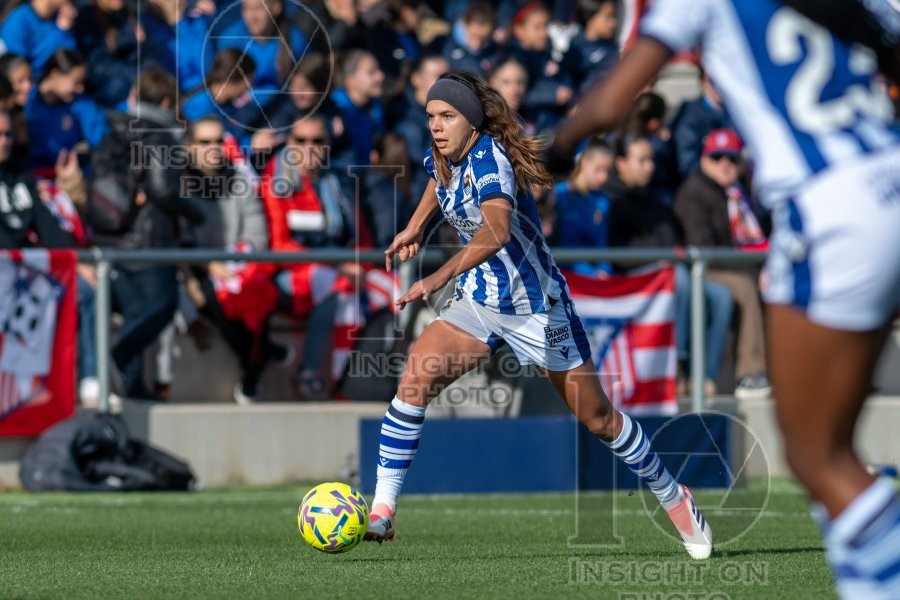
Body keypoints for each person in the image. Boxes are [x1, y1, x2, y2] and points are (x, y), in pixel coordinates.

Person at [549, 1, 900, 596]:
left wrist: (557, 148)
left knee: (819, 459)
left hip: (834, 211)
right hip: (887, 177)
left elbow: (612, 102)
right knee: (836, 452)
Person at [363, 71, 713, 561]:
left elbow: (497, 232)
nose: (436, 127)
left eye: (447, 117)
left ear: (473, 121)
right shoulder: (445, 152)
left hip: (536, 308)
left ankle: (674, 494)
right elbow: (436, 179)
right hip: (482, 302)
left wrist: (435, 277)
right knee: (416, 375)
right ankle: (383, 508)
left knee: (599, 420)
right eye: (431, 117)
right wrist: (415, 226)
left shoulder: (492, 159)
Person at [606, 133, 733, 396]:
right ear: (621, 163)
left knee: (721, 296)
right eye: (642, 160)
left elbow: (672, 238)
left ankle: (705, 377)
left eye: (650, 160)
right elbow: (615, 253)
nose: (650, 167)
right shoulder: (610, 200)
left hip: (668, 270)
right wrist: (658, 260)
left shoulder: (654, 197)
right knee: (681, 279)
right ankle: (680, 363)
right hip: (638, 278)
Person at [673, 128, 772, 400]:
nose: (725, 164)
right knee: (745, 287)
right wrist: (753, 267)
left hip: (746, 264)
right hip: (709, 269)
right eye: (717, 157)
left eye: (731, 158)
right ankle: (750, 374)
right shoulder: (694, 191)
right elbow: (703, 248)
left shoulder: (743, 190)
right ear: (704, 160)